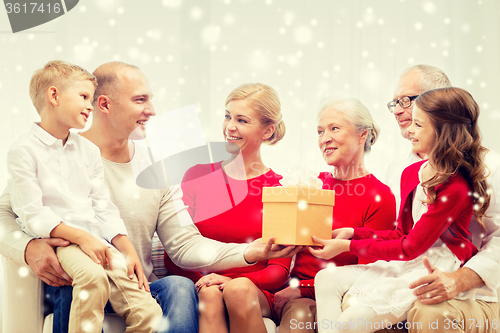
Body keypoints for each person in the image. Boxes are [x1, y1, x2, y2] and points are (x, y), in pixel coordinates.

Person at [0, 62, 298, 333]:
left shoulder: (155, 169)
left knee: (180, 287)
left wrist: (249, 254)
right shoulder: (55, 153)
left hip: (134, 283)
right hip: (75, 279)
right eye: (141, 100)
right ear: (104, 104)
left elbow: (184, 245)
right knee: (81, 286)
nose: (153, 110)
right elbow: (5, 215)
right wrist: (28, 247)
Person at [312, 87, 493, 333]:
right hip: (408, 259)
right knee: (325, 278)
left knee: (347, 324)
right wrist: (354, 233)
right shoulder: (410, 173)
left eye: (418, 125)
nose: (409, 131)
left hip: (435, 266)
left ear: (442, 132)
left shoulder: (456, 187)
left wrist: (347, 246)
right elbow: (400, 234)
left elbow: (410, 247)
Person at [6, 60, 162, 333]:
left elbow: (103, 205)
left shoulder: (88, 151)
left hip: (99, 242)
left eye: (91, 98)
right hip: (65, 243)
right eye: (83, 97)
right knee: (92, 280)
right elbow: (31, 212)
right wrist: (82, 237)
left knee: (148, 311)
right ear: (54, 96)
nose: (90, 105)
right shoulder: (23, 151)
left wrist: (125, 247)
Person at [163, 83, 291, 333]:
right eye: (227, 116)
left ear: (267, 131)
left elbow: (278, 270)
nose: (230, 127)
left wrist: (230, 280)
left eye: (242, 120)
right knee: (211, 294)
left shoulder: (279, 189)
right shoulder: (197, 175)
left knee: (237, 290)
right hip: (203, 287)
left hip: (255, 291)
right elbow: (173, 255)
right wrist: (204, 282)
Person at [385, 65, 500, 332]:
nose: (398, 111)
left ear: (439, 103)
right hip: (412, 281)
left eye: (406, 101)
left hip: (476, 293)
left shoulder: (489, 166)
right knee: (355, 303)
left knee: (430, 314)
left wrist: (458, 280)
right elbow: (400, 235)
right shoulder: (399, 167)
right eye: (394, 103)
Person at [273, 97, 396, 333]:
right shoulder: (312, 185)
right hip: (298, 295)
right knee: (299, 314)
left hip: (342, 294)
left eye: (334, 128)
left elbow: (368, 273)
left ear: (362, 135)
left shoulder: (380, 196)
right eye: (320, 131)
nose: (324, 139)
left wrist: (303, 288)